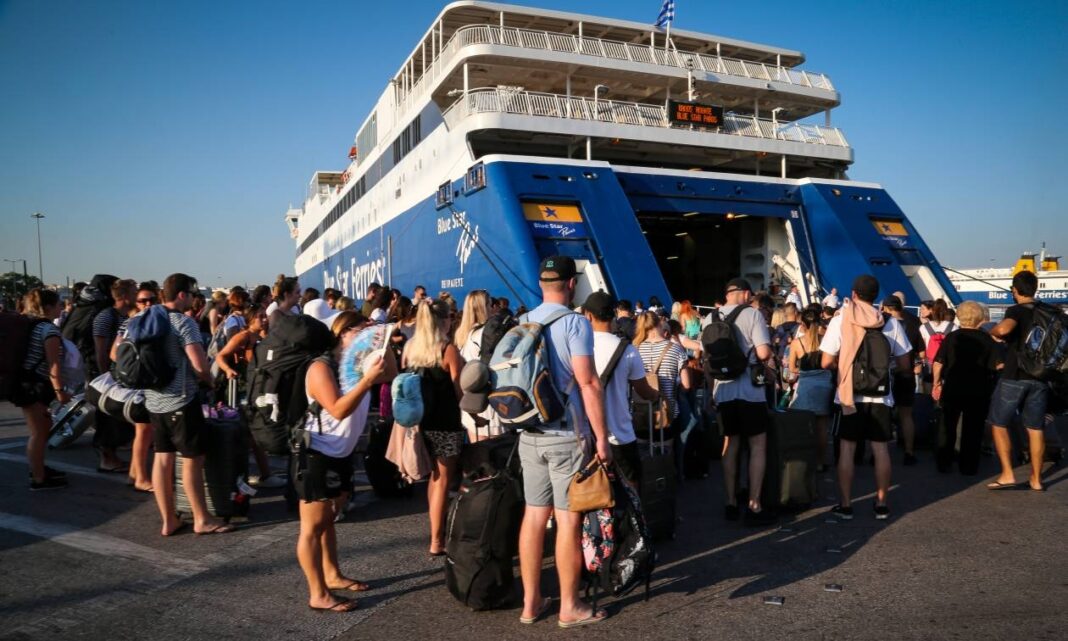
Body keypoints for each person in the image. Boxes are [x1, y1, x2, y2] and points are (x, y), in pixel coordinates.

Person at [517, 256, 611, 628]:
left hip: (529, 433)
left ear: (542, 284)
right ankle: (569, 606)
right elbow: (587, 382)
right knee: (568, 521)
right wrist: (601, 438)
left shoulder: (524, 321)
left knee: (534, 516)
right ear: (572, 284)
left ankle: (530, 602)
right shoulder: (575, 323)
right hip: (565, 435)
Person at [297, 311, 391, 613]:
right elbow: (338, 410)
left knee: (329, 518)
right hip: (317, 453)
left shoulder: (359, 363)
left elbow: (391, 373)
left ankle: (332, 574)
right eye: (361, 331)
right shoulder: (320, 368)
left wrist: (384, 343)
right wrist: (366, 381)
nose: (367, 336)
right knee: (312, 527)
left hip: (341, 453)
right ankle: (317, 593)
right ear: (342, 333)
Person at [146, 273, 234, 536]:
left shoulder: (144, 317)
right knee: (192, 459)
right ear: (182, 294)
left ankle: (168, 520)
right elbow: (199, 365)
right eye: (193, 294)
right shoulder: (183, 322)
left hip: (154, 400)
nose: (195, 299)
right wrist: (209, 381)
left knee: (162, 459)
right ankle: (201, 519)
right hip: (181, 400)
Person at [820, 275, 911, 520]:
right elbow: (905, 363)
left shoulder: (840, 319)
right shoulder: (890, 322)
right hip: (880, 395)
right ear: (876, 296)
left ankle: (846, 505)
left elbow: (826, 361)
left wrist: (845, 367)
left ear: (854, 294)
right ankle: (881, 504)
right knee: (880, 449)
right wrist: (885, 369)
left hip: (849, 396)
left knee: (847, 449)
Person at [710, 278, 776, 525]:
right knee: (757, 445)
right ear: (746, 294)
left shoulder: (710, 318)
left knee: (731, 443)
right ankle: (754, 504)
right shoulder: (753, 314)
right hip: (750, 390)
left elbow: (707, 360)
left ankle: (730, 501)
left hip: (723, 390)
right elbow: (763, 353)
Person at [400, 299, 464, 554]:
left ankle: (435, 533)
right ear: (444, 321)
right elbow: (459, 390)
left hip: (419, 422)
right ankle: (437, 540)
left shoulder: (410, 347)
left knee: (433, 479)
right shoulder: (447, 349)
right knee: (442, 481)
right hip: (446, 422)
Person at [986, 271, 1051, 491]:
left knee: (999, 423)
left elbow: (1004, 329)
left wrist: (994, 331)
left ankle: (1007, 474)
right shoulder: (1048, 310)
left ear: (1015, 290)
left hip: (1015, 374)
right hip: (1041, 376)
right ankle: (1036, 479)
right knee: (1035, 428)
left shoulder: (1016, 310)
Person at [583, 292, 656, 486]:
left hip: (587, 433)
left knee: (589, 492)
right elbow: (643, 390)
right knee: (631, 487)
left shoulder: (579, 349)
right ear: (615, 314)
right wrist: (658, 395)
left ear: (588, 316)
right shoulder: (628, 350)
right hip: (620, 433)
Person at [932, 301, 1001, 475]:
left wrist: (936, 383)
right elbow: (998, 365)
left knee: (947, 425)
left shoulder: (952, 337)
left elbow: (938, 362)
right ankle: (968, 465)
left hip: (953, 385)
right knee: (974, 428)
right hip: (979, 388)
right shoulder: (987, 339)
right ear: (980, 318)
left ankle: (944, 462)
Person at [14, 289, 71, 490]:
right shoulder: (49, 330)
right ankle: (38, 478)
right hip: (34, 386)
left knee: (40, 430)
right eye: (58, 305)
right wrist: (60, 392)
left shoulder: (31, 325)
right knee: (39, 433)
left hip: (25, 383)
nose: (61, 308)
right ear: (48, 307)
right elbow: (53, 365)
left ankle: (38, 469)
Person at [92, 278, 137, 473]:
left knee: (117, 419)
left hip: (120, 374)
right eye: (134, 292)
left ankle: (114, 456)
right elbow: (100, 350)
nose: (137, 296)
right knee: (107, 418)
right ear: (125, 296)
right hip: (108, 375)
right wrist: (106, 375)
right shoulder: (105, 317)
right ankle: (107, 459)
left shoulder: (124, 316)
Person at [788, 306, 834, 470]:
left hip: (806, 386)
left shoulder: (797, 343)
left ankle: (802, 462)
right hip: (825, 385)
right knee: (822, 428)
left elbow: (792, 367)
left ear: (803, 324)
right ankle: (820, 462)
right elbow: (833, 363)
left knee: (802, 427)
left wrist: (801, 370)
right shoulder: (826, 341)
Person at [454, 290, 501, 440]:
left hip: (470, 401)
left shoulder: (462, 333)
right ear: (483, 308)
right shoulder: (484, 334)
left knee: (477, 450)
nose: (493, 308)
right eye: (489, 305)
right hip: (487, 404)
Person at [881, 295, 922, 465]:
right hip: (906, 373)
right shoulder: (914, 323)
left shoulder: (882, 323)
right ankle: (909, 451)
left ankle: (879, 452)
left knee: (883, 414)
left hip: (884, 373)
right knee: (906, 414)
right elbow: (920, 351)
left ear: (886, 308)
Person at [634, 312, 689, 433]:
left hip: (640, 412)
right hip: (667, 411)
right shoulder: (675, 349)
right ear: (660, 324)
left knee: (643, 442)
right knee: (667, 442)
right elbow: (687, 384)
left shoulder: (635, 349)